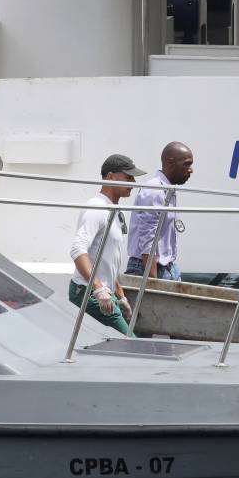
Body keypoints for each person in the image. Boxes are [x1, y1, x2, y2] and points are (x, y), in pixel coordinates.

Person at [69, 154, 146, 335]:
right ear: (111, 177)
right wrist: (99, 289)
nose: (133, 182)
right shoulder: (97, 207)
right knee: (131, 343)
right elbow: (77, 249)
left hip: (102, 292)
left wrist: (120, 296)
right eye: (128, 177)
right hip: (88, 293)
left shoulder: (115, 209)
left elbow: (109, 261)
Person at [126, 142, 194, 280]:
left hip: (168, 267)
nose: (191, 170)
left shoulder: (167, 189)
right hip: (150, 268)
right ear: (170, 162)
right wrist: (153, 282)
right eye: (186, 164)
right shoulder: (155, 191)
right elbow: (148, 241)